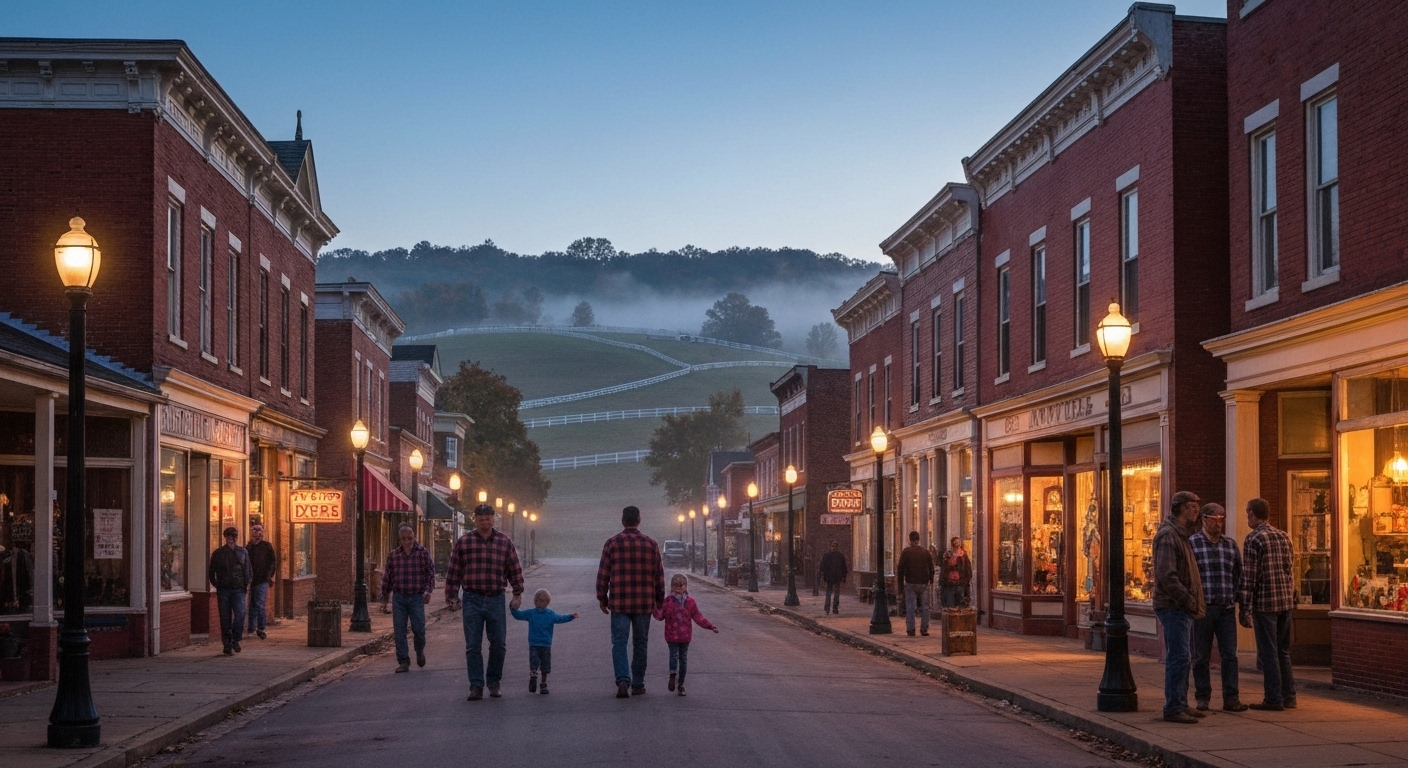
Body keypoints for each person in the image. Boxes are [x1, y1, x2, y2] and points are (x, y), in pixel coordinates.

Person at [445, 504, 524, 701]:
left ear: (493, 519)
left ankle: (494, 682)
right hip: (472, 598)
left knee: (498, 643)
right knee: (473, 645)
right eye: (481, 518)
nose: (485, 521)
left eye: (488, 518)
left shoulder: (504, 542)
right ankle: (476, 685)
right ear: (475, 519)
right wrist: (452, 595)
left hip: (496, 598)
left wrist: (517, 593)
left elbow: (514, 569)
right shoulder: (464, 543)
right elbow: (454, 571)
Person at [596, 505, 665, 698]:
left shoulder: (612, 543)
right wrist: (660, 600)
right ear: (639, 520)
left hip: (619, 602)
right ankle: (638, 683)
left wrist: (602, 598)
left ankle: (623, 680)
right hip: (644, 603)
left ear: (622, 520)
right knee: (641, 642)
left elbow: (603, 574)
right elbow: (658, 575)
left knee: (619, 642)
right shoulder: (651, 544)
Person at [1153, 491, 1207, 724]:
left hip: (1181, 606)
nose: (1197, 510)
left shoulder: (1181, 535)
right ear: (1181, 508)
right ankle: (1174, 706)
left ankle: (1181, 703)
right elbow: (1167, 575)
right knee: (1179, 656)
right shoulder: (1168, 535)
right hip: (1173, 606)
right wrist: (1187, 599)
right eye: (1193, 506)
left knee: (1183, 657)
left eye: (1197, 506)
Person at [1239, 497, 1297, 711]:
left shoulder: (1253, 539)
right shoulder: (1283, 536)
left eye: (1248, 512)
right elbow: (1290, 569)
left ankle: (1273, 698)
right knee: (1283, 651)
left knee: (1269, 652)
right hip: (1285, 602)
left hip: (1265, 603)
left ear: (1253, 513)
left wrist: (1244, 608)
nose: (1247, 516)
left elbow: (1250, 577)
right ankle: (1289, 696)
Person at [1189, 503, 1248, 712]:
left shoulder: (1230, 545)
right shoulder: (1193, 544)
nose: (1218, 523)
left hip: (1226, 608)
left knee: (1229, 655)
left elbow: (1239, 576)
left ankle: (1231, 698)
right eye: (1214, 519)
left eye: (1221, 519)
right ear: (1204, 519)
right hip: (1203, 608)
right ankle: (1202, 697)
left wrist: (1242, 606)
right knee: (1200, 655)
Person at [381, 524, 437, 673]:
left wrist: (428, 591)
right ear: (400, 539)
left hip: (416, 597)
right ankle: (403, 661)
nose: (407, 541)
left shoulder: (422, 553)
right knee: (399, 631)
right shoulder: (393, 555)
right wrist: (384, 598)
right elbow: (388, 577)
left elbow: (430, 574)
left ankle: (419, 650)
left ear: (414, 536)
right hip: (399, 597)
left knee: (419, 629)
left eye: (410, 538)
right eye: (404, 539)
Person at [653, 573, 718, 696]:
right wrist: (653, 607)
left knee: (682, 659)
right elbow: (660, 616)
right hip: (672, 636)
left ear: (686, 586)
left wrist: (710, 626)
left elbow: (698, 617)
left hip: (685, 637)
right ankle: (673, 675)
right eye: (676, 584)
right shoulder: (667, 601)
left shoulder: (690, 602)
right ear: (672, 586)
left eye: (681, 584)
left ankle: (681, 684)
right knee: (675, 656)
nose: (679, 586)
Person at [511, 588, 577, 694]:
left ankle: (533, 674)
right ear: (548, 602)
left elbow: (518, 615)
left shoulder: (530, 613)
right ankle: (543, 683)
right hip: (546, 644)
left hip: (533, 643)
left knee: (534, 661)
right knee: (545, 665)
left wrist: (513, 608)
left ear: (535, 601)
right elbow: (561, 618)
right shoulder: (550, 614)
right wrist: (571, 617)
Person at [207, 527, 251, 656]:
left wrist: (245, 585)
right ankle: (227, 643)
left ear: (236, 538)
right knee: (225, 617)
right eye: (229, 537)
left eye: (233, 537)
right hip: (224, 589)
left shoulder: (243, 552)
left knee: (241, 613)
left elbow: (248, 570)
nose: (231, 539)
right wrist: (217, 585)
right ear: (225, 538)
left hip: (238, 589)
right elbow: (211, 572)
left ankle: (235, 638)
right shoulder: (218, 553)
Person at [897, 531, 935, 637]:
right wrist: (930, 579)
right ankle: (924, 629)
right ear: (918, 540)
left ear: (910, 539)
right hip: (923, 582)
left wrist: (900, 586)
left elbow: (900, 569)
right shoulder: (925, 552)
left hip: (910, 582)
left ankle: (911, 629)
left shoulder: (906, 552)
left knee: (910, 607)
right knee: (925, 607)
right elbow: (931, 567)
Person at [245, 523, 276, 641]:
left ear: (262, 533)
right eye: (254, 530)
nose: (257, 533)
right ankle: (251, 627)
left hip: (262, 579)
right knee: (252, 603)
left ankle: (261, 627)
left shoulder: (267, 546)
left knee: (259, 603)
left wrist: (269, 576)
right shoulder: (249, 547)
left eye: (259, 531)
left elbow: (273, 562)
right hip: (250, 580)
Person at [940, 536, 973, 608]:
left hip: (960, 583)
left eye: (959, 542)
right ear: (953, 544)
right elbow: (944, 569)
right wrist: (943, 582)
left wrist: (965, 581)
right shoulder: (947, 554)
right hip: (949, 584)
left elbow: (968, 569)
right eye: (956, 543)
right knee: (950, 605)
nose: (958, 545)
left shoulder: (963, 555)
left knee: (960, 604)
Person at [818, 541, 848, 615]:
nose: (834, 547)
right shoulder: (827, 556)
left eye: (835, 546)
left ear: (837, 547)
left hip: (837, 576)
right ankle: (827, 608)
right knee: (829, 593)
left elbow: (844, 567)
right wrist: (823, 574)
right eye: (832, 546)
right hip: (829, 577)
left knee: (835, 593)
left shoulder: (840, 556)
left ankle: (835, 608)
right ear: (830, 547)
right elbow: (822, 566)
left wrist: (844, 576)